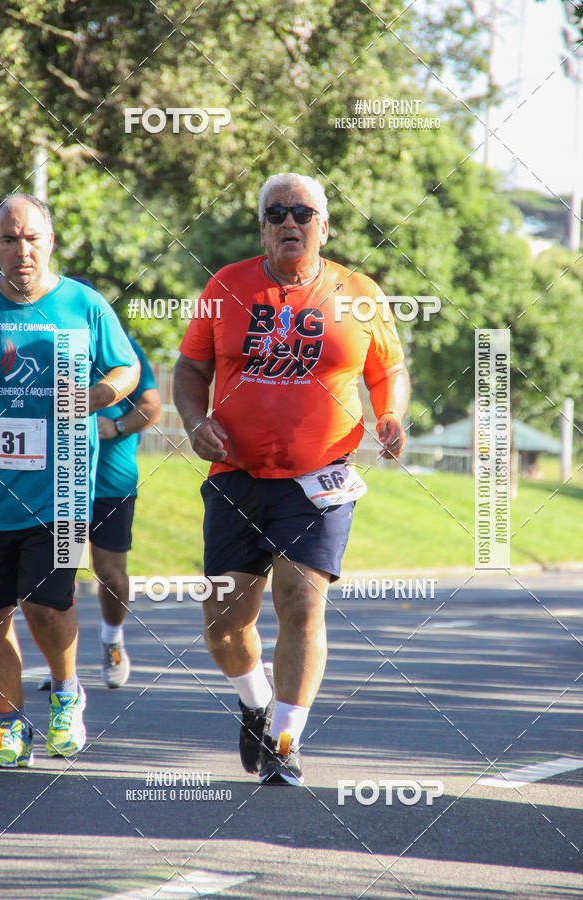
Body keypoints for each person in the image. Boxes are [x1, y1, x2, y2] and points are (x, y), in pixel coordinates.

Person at [173, 172, 409, 786]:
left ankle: (286, 738)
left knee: (302, 603)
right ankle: (254, 700)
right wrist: (195, 422)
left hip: (319, 479)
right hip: (236, 474)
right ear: (262, 226)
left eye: (303, 213)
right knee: (226, 622)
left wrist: (389, 412)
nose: (290, 223)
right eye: (276, 213)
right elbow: (190, 367)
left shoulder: (359, 292)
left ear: (324, 225)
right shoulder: (226, 286)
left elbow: (390, 370)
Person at [0, 193, 140, 768]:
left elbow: (127, 369)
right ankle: (9, 726)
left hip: (62, 487)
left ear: (50, 240)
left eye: (31, 237)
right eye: (8, 238)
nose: (21, 249)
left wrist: (98, 394)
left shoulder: (83, 303)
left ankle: (66, 694)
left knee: (46, 606)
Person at [90, 332, 160, 687]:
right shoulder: (43, 348)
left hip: (111, 483)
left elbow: (150, 406)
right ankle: (61, 664)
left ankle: (112, 639)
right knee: (57, 570)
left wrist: (115, 426)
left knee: (111, 572)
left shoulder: (122, 348)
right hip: (58, 479)